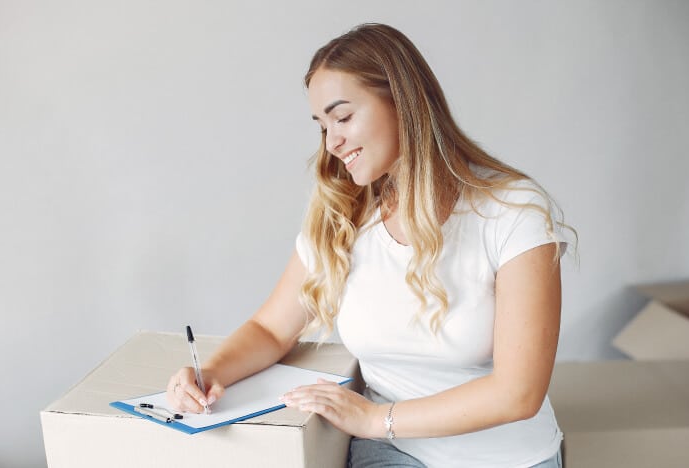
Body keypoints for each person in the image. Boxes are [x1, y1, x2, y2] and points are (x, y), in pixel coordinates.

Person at [168, 23, 574, 468]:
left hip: (508, 457)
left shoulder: (512, 210)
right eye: (322, 126)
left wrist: (377, 419)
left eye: (342, 117)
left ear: (402, 102)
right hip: (392, 453)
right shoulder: (342, 217)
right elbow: (270, 330)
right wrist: (207, 374)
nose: (332, 142)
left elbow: (518, 393)